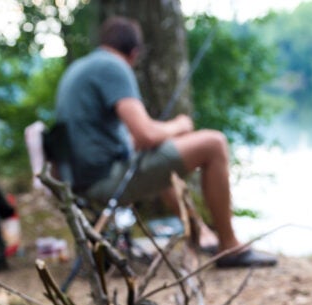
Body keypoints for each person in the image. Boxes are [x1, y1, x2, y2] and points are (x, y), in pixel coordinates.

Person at [54, 15, 277, 268]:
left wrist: (157, 136)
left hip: (80, 178)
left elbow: (112, 137)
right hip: (104, 181)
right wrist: (180, 125)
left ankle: (200, 233)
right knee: (214, 143)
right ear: (134, 53)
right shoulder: (113, 67)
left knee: (159, 155)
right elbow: (146, 134)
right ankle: (229, 247)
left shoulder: (80, 68)